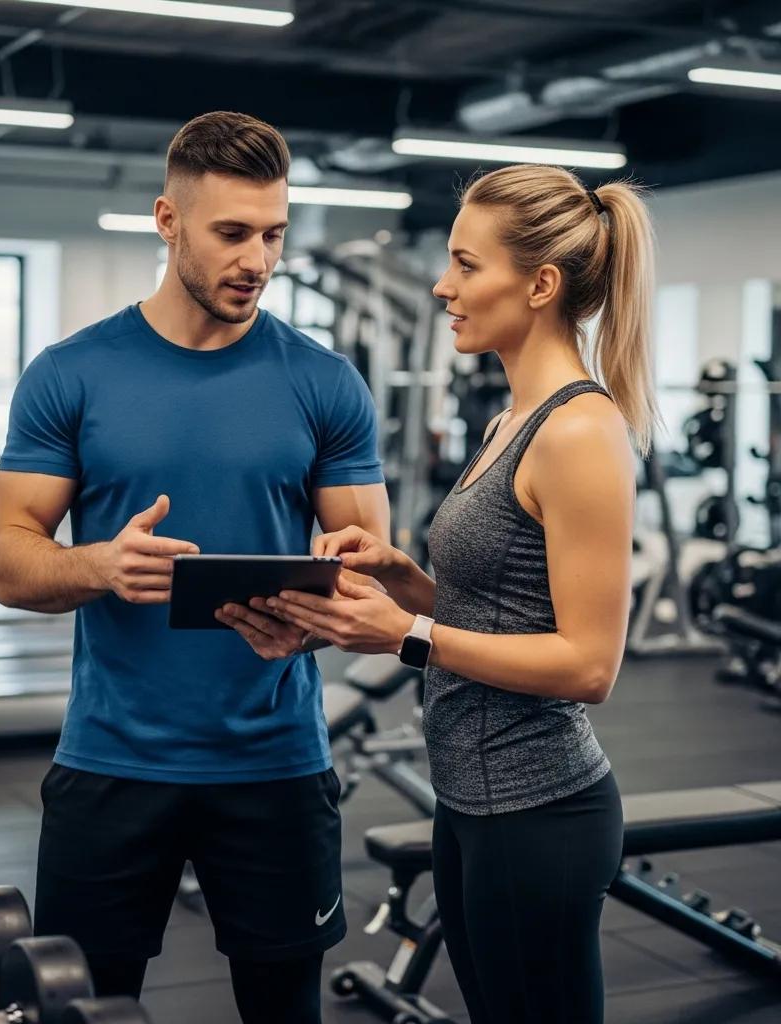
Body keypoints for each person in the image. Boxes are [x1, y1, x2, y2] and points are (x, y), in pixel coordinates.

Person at [0, 110, 389, 1024]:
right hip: (113, 758)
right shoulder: (70, 374)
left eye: (274, 233)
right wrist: (98, 564)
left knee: (284, 1006)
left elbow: (367, 570)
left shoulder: (324, 382)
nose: (258, 258)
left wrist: (325, 600)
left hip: (276, 760)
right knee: (83, 1006)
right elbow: (10, 562)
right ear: (168, 222)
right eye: (233, 232)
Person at [265, 164, 659, 1024]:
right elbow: (503, 607)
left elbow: (590, 664)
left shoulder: (581, 431)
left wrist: (406, 633)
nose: (444, 285)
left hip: (540, 808)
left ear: (541, 284)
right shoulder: (509, 421)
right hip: (471, 801)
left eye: (466, 264)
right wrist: (404, 578)